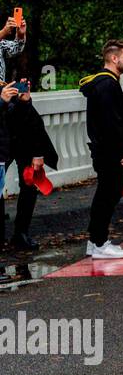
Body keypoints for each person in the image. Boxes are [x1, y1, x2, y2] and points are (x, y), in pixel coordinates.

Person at [80, 40, 123, 259]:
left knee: (106, 195)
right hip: (110, 152)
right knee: (107, 196)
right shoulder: (108, 86)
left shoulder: (105, 83)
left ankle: (95, 241)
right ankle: (100, 243)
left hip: (104, 150)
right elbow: (112, 124)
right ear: (114, 58)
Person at [5, 78, 58, 250]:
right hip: (3, 142)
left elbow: (32, 122)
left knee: (29, 186)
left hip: (22, 141)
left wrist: (37, 153)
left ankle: (21, 233)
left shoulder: (10, 89)